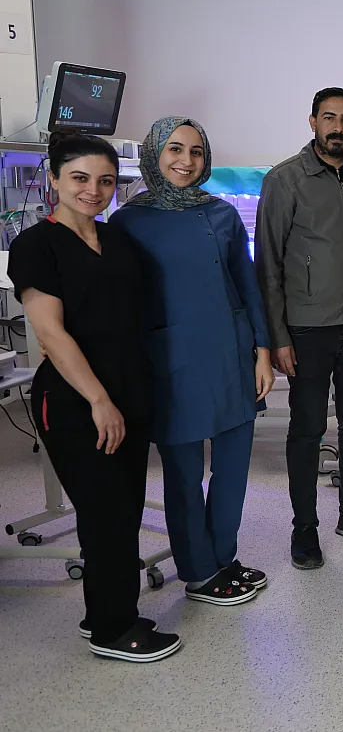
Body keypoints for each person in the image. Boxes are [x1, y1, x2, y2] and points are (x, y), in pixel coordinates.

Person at [11, 130, 181, 662]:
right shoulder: (36, 246)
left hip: (130, 388)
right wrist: (98, 400)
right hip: (75, 399)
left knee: (122, 508)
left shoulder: (118, 240)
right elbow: (51, 332)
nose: (93, 190)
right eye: (80, 178)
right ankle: (115, 629)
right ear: (54, 179)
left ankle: (100, 613)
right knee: (106, 512)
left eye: (105, 181)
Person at [113, 117, 273, 606]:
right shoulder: (128, 222)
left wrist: (262, 352)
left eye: (197, 151)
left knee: (233, 469)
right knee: (183, 475)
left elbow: (247, 286)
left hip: (231, 356)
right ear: (154, 154)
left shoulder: (221, 213)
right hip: (171, 362)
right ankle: (199, 572)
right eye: (175, 149)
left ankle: (222, 557)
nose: (187, 161)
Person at [256, 87, 343, 569]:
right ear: (312, 121)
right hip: (308, 330)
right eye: (329, 117)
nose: (338, 127)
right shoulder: (284, 180)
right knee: (307, 430)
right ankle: (305, 529)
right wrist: (277, 337)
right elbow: (268, 264)